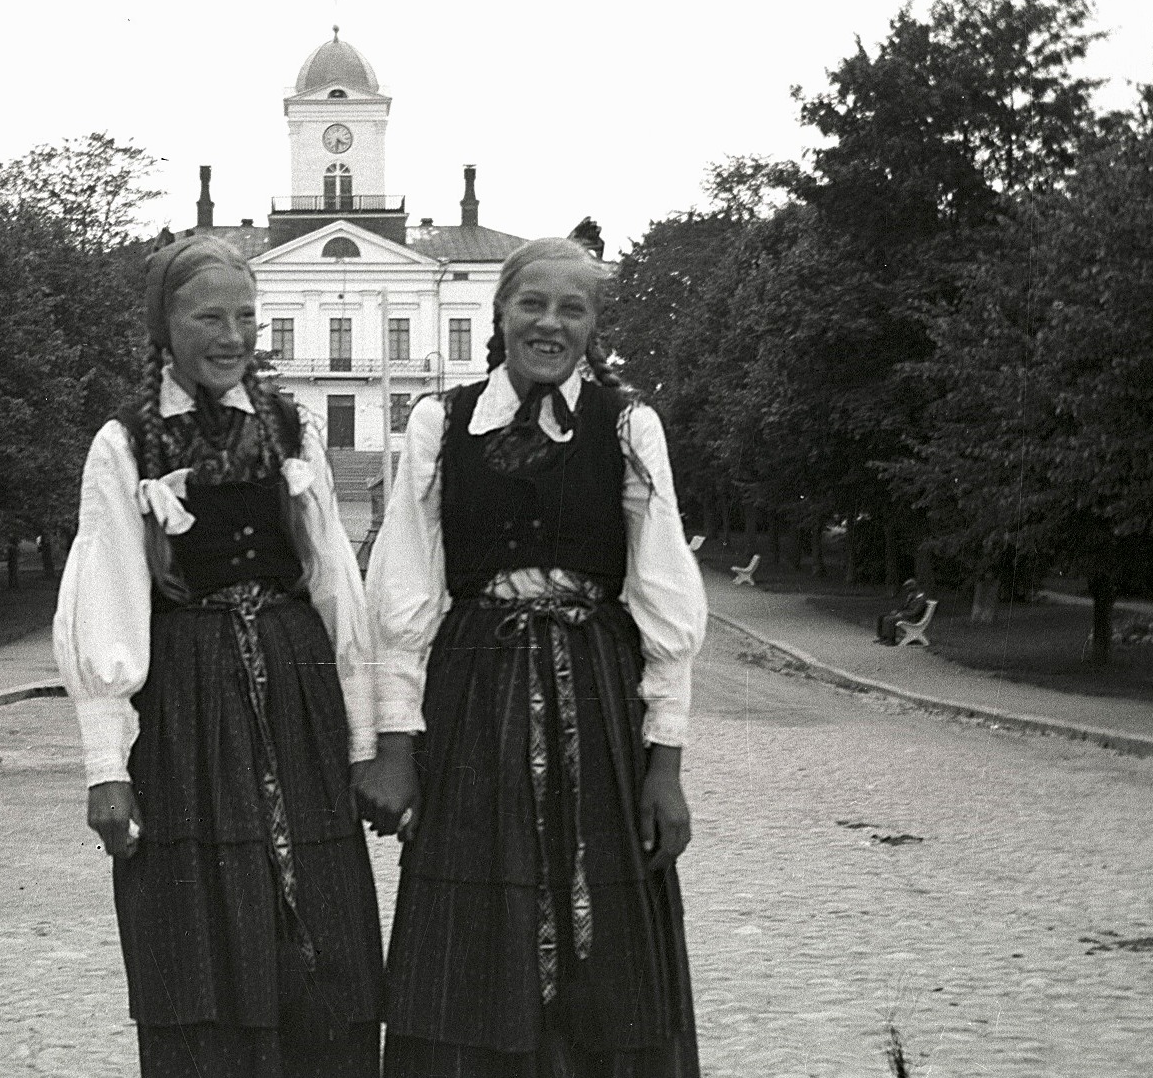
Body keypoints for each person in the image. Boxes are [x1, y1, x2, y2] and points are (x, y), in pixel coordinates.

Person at [360, 237, 705, 1077]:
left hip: (598, 693)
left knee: (606, 937)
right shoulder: (441, 422)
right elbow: (402, 596)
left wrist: (666, 766)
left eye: (573, 308)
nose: (550, 323)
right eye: (533, 304)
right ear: (501, 311)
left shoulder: (628, 425)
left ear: (592, 326)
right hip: (478, 691)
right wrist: (398, 747)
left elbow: (664, 600)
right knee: (473, 933)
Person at [54, 235, 384, 1077]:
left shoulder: (289, 425)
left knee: (321, 913)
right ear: (165, 326)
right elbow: (107, 597)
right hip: (189, 700)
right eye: (209, 315)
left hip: (297, 685)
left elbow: (331, 577)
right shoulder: (125, 441)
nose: (232, 333)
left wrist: (367, 737)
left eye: (245, 314)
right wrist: (106, 765)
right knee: (194, 921)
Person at [876, 578, 931, 645]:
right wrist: (897, 611)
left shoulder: (922, 600)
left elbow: (914, 613)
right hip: (906, 615)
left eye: (910, 590)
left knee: (890, 619)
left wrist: (902, 614)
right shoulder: (912, 597)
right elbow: (904, 607)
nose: (909, 592)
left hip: (912, 619)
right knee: (881, 616)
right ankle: (883, 637)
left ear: (915, 589)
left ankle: (891, 640)